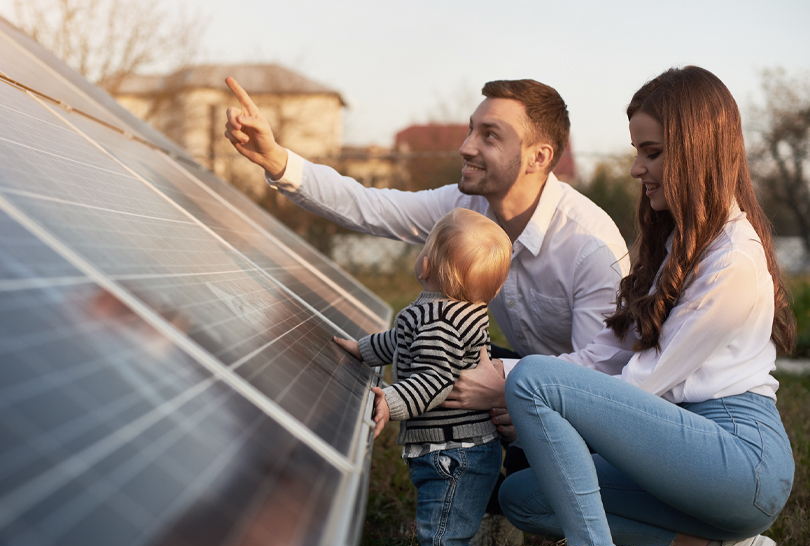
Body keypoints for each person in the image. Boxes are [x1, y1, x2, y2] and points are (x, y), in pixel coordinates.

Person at [494, 66, 795, 546]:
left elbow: (641, 386)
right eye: (638, 151)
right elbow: (609, 353)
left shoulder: (733, 263)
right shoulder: (681, 247)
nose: (637, 168)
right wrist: (505, 378)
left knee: (536, 384)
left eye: (651, 152)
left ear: (697, 150)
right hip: (683, 451)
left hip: (738, 461)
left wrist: (527, 397)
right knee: (526, 497)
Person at [223, 76, 631, 432]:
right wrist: (278, 160)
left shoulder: (589, 247)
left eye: (490, 135)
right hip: (522, 379)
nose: (466, 147)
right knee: (432, 358)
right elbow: (371, 207)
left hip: (586, 407)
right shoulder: (464, 209)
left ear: (538, 157)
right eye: (471, 130)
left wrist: (509, 385)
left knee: (523, 495)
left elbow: (602, 372)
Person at [333, 207, 512, 546]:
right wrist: (362, 349)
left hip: (453, 456)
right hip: (457, 452)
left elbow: (434, 380)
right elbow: (398, 340)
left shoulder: (439, 321)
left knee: (443, 545)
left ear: (424, 264)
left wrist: (391, 400)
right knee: (446, 532)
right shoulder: (444, 312)